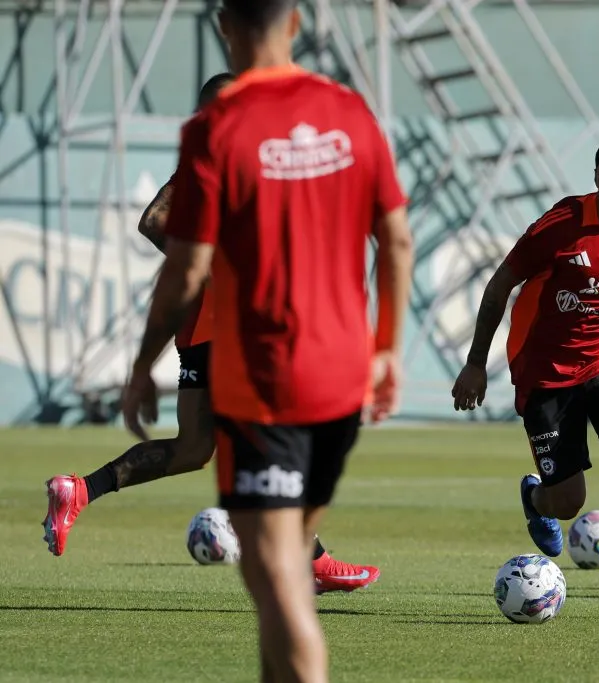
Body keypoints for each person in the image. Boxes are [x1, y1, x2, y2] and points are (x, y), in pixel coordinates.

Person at [120, 0, 412, 679]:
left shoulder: (216, 127)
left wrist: (142, 364)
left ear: (223, 24)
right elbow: (395, 238)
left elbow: (186, 263)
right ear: (297, 25)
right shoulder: (349, 112)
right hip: (343, 372)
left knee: (276, 571)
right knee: (283, 551)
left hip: (266, 375)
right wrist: (388, 347)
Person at [41, 72, 380, 595]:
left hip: (205, 330)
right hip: (230, 332)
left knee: (194, 449)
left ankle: (80, 490)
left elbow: (157, 221)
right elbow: (156, 221)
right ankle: (308, 562)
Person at [451, 131, 599, 622]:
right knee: (566, 503)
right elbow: (499, 288)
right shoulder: (561, 225)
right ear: (596, 178)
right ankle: (535, 497)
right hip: (547, 372)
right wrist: (476, 363)